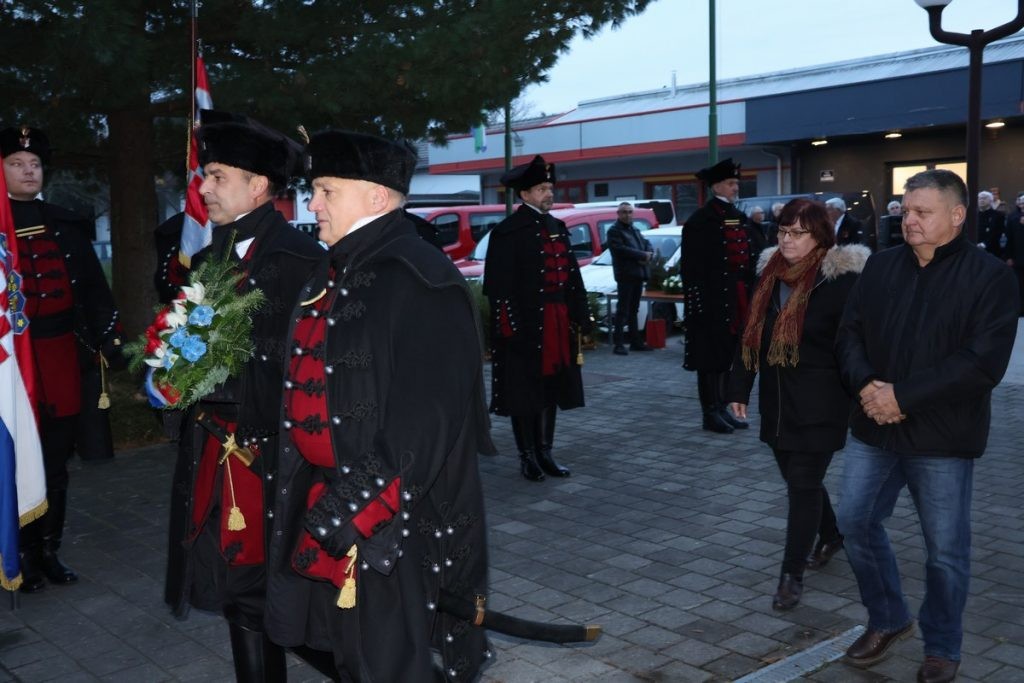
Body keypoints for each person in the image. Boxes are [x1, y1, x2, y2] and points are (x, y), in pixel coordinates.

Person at [263, 130, 495, 682]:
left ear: (375, 196)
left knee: (390, 661)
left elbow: (427, 419)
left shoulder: (420, 275)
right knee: (341, 650)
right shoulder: (333, 268)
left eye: (325, 190)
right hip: (326, 499)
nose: (311, 203)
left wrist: (351, 505)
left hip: (392, 515)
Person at [835, 169, 1019, 683]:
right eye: (905, 210)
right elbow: (849, 334)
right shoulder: (881, 267)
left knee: (945, 551)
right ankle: (889, 617)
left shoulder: (990, 277)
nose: (907, 220)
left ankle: (941, 645)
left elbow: (982, 363)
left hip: (941, 435)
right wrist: (869, 385)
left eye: (921, 212)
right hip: (874, 427)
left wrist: (902, 396)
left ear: (957, 216)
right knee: (854, 522)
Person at [161, 112, 325, 681]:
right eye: (205, 175)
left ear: (259, 185)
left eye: (216, 175)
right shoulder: (208, 260)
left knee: (277, 591)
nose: (203, 187)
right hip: (213, 455)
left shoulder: (305, 262)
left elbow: (312, 370)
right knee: (235, 590)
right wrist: (169, 378)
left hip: (271, 460)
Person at [727, 198, 869, 611]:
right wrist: (739, 389)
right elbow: (750, 336)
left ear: (820, 236)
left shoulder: (842, 282)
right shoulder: (769, 276)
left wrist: (866, 391)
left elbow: (857, 344)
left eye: (797, 232)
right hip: (777, 402)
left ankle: (791, 574)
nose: (786, 240)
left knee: (803, 485)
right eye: (782, 231)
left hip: (823, 402)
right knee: (798, 481)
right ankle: (833, 534)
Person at [1, 126, 124, 593]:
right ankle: (19, 556)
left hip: (60, 357)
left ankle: (47, 550)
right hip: (11, 364)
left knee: (55, 460)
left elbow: (94, 289)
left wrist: (107, 339)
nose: (29, 171)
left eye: (34, 165)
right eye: (17, 164)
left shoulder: (65, 223)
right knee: (14, 458)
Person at [483, 154, 592, 480]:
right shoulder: (508, 232)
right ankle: (527, 455)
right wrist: (510, 330)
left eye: (550, 187)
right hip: (526, 327)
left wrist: (581, 318)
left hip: (558, 323)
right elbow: (499, 290)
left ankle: (545, 451)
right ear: (525, 194)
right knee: (525, 393)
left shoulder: (557, 227)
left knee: (551, 389)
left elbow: (573, 279)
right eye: (542, 188)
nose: (549, 193)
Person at [681, 157, 752, 434]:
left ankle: (722, 407)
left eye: (736, 183)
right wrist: (697, 307)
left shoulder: (736, 215)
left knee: (728, 357)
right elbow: (691, 269)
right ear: (717, 186)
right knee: (709, 359)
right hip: (711, 301)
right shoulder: (702, 220)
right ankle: (709, 412)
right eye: (731, 183)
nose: (736, 188)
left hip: (735, 298)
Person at [606, 201, 654, 355]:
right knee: (623, 310)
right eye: (624, 212)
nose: (627, 215)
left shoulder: (634, 229)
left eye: (630, 212)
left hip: (638, 274)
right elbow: (620, 249)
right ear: (618, 214)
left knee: (634, 309)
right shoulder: (614, 231)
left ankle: (636, 342)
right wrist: (641, 255)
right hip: (626, 275)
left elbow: (647, 244)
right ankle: (618, 344)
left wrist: (648, 254)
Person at [1004, 192, 1024, 314]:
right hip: (1018, 256)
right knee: (1019, 284)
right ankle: (1020, 309)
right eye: (1021, 201)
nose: (1022, 203)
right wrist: (1009, 256)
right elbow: (1009, 238)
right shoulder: (1012, 217)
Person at [976, 190, 1005, 258]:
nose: (982, 200)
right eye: (980, 198)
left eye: (984, 198)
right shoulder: (972, 215)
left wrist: (985, 244)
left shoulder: (998, 215)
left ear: (991, 200)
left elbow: (998, 232)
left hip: (992, 250)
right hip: (975, 248)